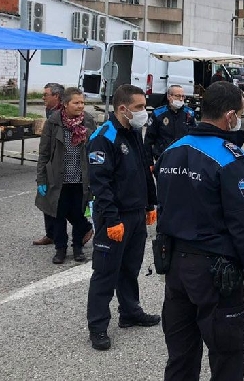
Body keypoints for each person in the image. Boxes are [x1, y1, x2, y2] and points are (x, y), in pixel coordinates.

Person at [155, 81, 244, 381]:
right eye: (240, 114)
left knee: (180, 358)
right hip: (215, 274)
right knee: (227, 360)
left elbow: (165, 209)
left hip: (176, 270)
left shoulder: (172, 150)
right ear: (230, 116)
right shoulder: (229, 157)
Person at [86, 84, 160, 351]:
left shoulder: (134, 132)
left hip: (136, 214)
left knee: (130, 268)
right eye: (139, 107)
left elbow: (143, 168)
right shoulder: (104, 136)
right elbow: (100, 183)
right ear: (122, 108)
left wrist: (151, 203)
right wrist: (111, 219)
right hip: (113, 218)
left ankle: (130, 312)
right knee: (105, 273)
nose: (144, 112)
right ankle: (97, 326)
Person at [35, 88, 96, 264]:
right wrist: (41, 179)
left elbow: (96, 149)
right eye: (76, 103)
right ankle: (60, 249)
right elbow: (44, 153)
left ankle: (77, 248)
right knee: (58, 215)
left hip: (81, 178)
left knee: (78, 215)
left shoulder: (89, 121)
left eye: (82, 102)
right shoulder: (53, 122)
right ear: (66, 104)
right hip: (57, 178)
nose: (80, 106)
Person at [34, 82, 70, 247]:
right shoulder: (50, 112)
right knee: (46, 199)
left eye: (46, 94)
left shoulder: (64, 115)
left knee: (63, 202)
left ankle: (83, 228)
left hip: (61, 166)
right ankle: (51, 234)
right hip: (49, 164)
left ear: (56, 96)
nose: (43, 98)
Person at [144, 85, 197, 164]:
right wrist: (149, 162)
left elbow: (194, 137)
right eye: (177, 96)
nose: (181, 99)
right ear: (169, 97)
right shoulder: (158, 114)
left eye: (183, 96)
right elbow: (148, 140)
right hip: (163, 158)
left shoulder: (189, 114)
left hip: (183, 158)